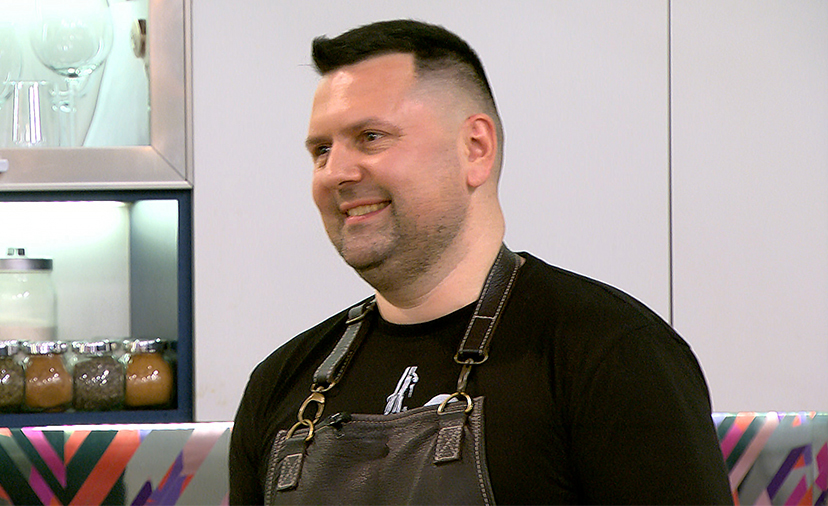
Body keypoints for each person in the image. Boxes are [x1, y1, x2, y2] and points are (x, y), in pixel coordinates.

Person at [229, 19, 732, 505]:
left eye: (371, 137)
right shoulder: (279, 383)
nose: (334, 172)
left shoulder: (610, 355)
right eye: (321, 150)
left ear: (475, 149)